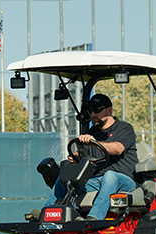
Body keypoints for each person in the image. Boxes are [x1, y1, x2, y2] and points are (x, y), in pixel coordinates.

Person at [44, 93, 138, 221]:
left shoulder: (124, 128)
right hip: (97, 180)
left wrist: (96, 142)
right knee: (64, 178)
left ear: (109, 110)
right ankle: (49, 214)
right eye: (90, 111)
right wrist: (75, 157)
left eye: (97, 110)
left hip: (124, 180)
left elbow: (118, 148)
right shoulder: (92, 132)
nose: (93, 115)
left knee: (110, 175)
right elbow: (85, 153)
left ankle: (94, 218)